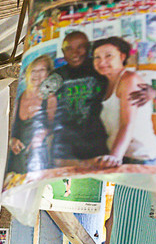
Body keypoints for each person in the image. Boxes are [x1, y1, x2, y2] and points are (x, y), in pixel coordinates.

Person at [90, 36, 156, 167]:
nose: (102, 61)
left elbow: (127, 124)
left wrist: (114, 157)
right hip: (121, 155)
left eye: (108, 55)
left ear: (122, 57)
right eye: (97, 57)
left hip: (141, 157)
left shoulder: (129, 80)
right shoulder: (104, 83)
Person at [41, 30, 109, 162]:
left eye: (80, 47)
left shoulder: (100, 69)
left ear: (88, 48)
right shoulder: (57, 75)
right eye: (69, 49)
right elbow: (43, 104)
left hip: (97, 141)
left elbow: (123, 82)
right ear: (63, 52)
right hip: (65, 145)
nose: (75, 53)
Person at [9, 55, 57, 176]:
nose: (37, 74)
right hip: (16, 158)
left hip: (37, 159)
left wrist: (41, 135)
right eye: (34, 70)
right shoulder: (20, 96)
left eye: (42, 70)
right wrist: (12, 140)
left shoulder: (50, 99)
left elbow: (54, 128)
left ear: (48, 74)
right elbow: (12, 128)